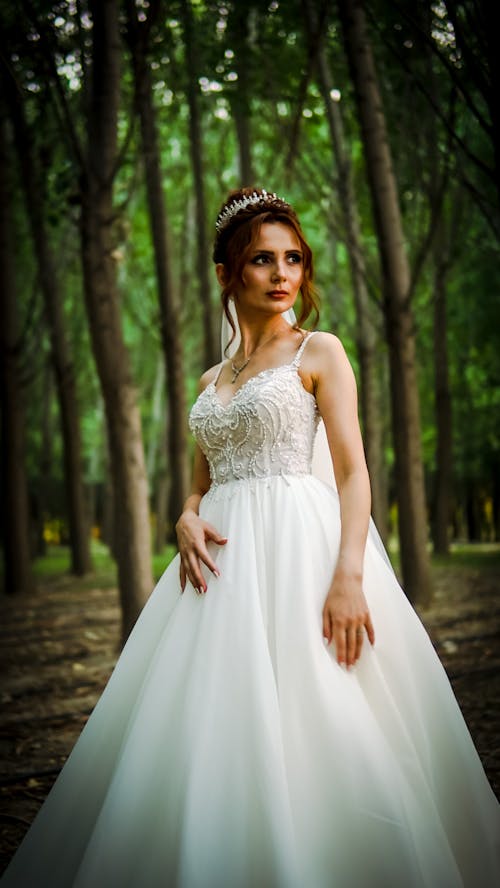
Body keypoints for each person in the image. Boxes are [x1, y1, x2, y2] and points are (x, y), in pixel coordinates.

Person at [2, 188, 499, 887]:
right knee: (211, 729)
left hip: (303, 554)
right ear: (226, 273)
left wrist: (349, 574)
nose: (281, 273)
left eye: (293, 258)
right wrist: (184, 511)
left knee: (320, 715)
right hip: (218, 573)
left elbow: (354, 475)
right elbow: (202, 481)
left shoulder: (319, 351)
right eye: (262, 259)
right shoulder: (212, 378)